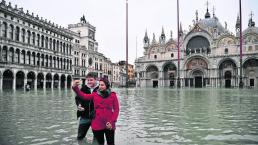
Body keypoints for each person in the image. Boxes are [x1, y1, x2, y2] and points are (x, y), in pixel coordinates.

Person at [72, 78, 119, 145]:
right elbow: (83, 96)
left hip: (109, 123)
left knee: (111, 143)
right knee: (100, 143)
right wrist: (75, 87)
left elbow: (116, 110)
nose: (100, 86)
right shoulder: (95, 94)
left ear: (107, 85)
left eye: (102, 85)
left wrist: (112, 121)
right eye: (99, 85)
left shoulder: (113, 95)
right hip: (97, 124)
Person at [75, 72, 99, 141]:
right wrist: (79, 105)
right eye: (88, 80)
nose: (89, 82)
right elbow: (78, 98)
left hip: (96, 118)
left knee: (97, 139)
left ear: (96, 79)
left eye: (91, 80)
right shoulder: (83, 88)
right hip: (84, 116)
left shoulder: (100, 89)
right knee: (80, 137)